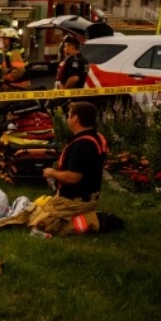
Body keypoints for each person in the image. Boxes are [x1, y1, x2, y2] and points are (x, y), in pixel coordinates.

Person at [28, 101, 107, 236]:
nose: (68, 118)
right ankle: (83, 217)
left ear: (75, 118)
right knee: (36, 210)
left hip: (75, 201)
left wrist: (52, 173)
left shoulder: (82, 145)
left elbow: (73, 178)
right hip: (86, 196)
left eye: (69, 115)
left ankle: (92, 221)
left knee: (37, 224)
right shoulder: (97, 137)